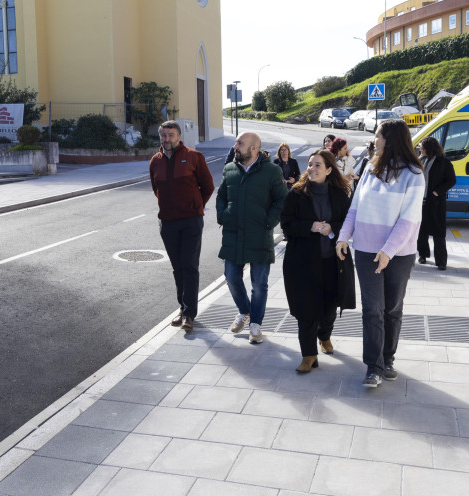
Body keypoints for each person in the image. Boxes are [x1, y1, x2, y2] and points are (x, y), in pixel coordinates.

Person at [336, 119, 424, 388]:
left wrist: (388, 251)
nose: (374, 140)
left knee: (392, 309)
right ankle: (373, 367)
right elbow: (355, 208)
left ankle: (388, 358)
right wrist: (343, 236)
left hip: (399, 254)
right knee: (372, 310)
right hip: (365, 250)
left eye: (377, 135)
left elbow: (409, 220)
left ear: (391, 139)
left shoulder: (413, 174)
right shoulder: (371, 169)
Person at [282, 150, 355, 372]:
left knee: (329, 308)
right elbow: (286, 224)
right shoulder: (296, 193)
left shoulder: (341, 194)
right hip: (303, 263)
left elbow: (348, 222)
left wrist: (332, 227)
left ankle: (324, 336)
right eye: (310, 165)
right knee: (306, 309)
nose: (312, 169)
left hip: (332, 262)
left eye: (317, 166)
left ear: (329, 170)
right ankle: (308, 355)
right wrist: (310, 227)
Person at [217, 132, 288, 343]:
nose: (235, 146)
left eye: (240, 143)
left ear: (254, 148)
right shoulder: (229, 168)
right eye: (236, 142)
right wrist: (223, 215)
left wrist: (268, 222)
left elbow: (282, 200)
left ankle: (255, 326)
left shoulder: (271, 171)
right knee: (231, 277)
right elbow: (221, 195)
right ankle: (244, 311)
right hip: (233, 235)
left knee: (259, 284)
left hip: (259, 236)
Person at [150, 120, 215, 331]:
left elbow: (208, 186)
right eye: (163, 135)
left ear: (179, 137)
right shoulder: (155, 161)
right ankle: (182, 307)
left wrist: (196, 206)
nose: (167, 139)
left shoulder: (194, 157)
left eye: (171, 135)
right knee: (177, 267)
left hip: (191, 221)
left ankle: (189, 314)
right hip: (167, 222)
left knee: (189, 265)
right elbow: (156, 188)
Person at [417, 136, 456, 270]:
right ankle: (423, 254)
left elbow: (451, 180)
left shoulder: (443, 162)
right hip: (420, 202)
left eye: (422, 148)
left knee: (438, 232)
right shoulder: (420, 160)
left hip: (435, 202)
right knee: (421, 231)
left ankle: (441, 261)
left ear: (429, 148)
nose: (420, 150)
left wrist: (437, 192)